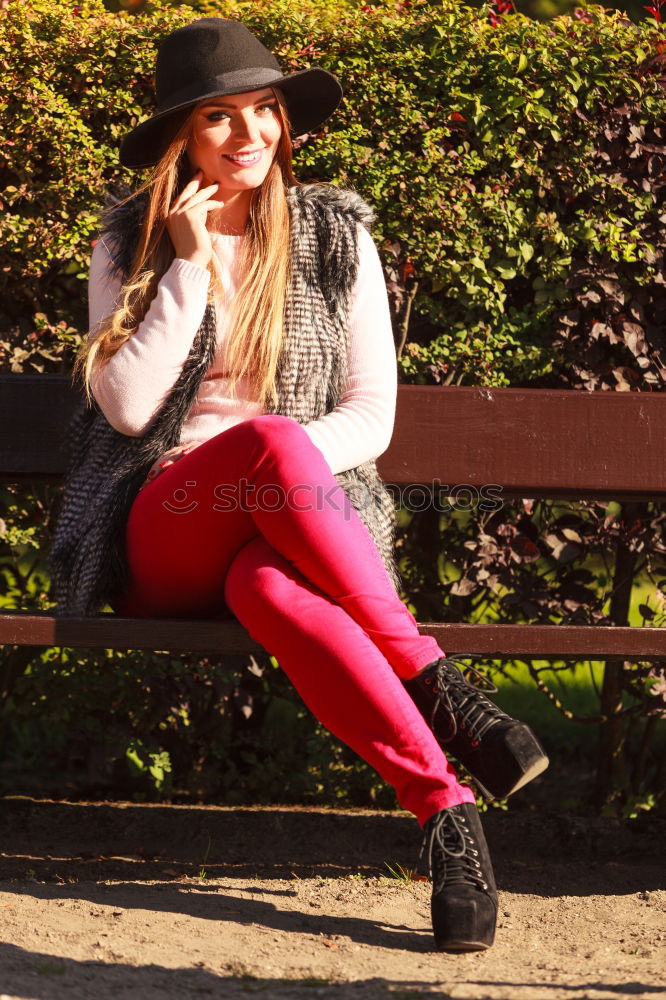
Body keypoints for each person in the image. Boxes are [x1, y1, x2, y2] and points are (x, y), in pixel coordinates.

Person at [49, 17, 549, 953]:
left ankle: (447, 817)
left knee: (273, 588)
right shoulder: (132, 241)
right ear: (182, 139)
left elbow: (371, 417)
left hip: (292, 533)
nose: (251, 136)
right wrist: (188, 271)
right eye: (221, 119)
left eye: (266, 111)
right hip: (168, 523)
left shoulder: (333, 237)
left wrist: (273, 476)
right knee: (268, 448)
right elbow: (123, 409)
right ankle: (444, 690)